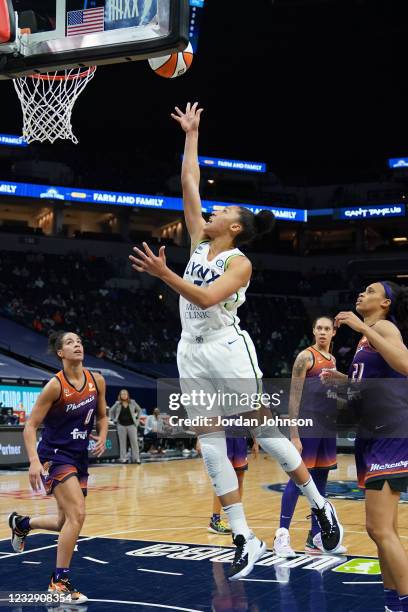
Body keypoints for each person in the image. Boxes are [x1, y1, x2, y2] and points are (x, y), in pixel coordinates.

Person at [129, 102, 344, 580]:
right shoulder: (199, 242)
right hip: (191, 349)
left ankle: (320, 504)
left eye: (221, 210)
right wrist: (191, 134)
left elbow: (206, 299)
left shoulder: (239, 262)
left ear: (235, 228)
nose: (211, 210)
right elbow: (189, 182)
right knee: (209, 444)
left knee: (264, 435)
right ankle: (243, 534)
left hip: (227, 347)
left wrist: (165, 274)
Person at [322, 281, 408, 612]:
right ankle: (392, 603)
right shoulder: (366, 336)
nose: (361, 294)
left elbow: (404, 364)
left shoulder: (383, 327)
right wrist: (344, 381)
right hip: (373, 434)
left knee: (378, 528)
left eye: (370, 291)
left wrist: (362, 328)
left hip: (391, 434)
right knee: (384, 531)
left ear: (385, 303)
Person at [8, 331, 108, 603]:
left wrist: (104, 433)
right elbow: (30, 426)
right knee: (77, 514)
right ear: (61, 353)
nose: (77, 344)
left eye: (79, 341)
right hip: (55, 454)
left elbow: (103, 415)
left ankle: (22, 523)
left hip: (79, 456)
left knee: (65, 521)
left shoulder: (96, 380)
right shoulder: (55, 386)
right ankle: (58, 582)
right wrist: (33, 460)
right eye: (70, 342)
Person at [274, 316, 346, 557]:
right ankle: (282, 534)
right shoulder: (306, 357)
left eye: (327, 329)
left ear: (333, 333)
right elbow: (294, 398)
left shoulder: (332, 359)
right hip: (307, 427)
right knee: (298, 479)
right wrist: (294, 434)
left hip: (326, 427)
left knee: (321, 480)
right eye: (319, 328)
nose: (323, 332)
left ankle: (316, 536)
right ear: (313, 331)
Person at [110, 389, 142, 464]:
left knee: (134, 442)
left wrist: (137, 420)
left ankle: (136, 458)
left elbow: (139, 410)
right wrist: (114, 419)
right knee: (122, 442)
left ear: (127, 395)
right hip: (121, 425)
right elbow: (111, 411)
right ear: (120, 395)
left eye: (125, 394)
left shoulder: (132, 402)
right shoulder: (117, 403)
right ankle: (123, 458)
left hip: (132, 425)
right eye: (122, 394)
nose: (124, 395)